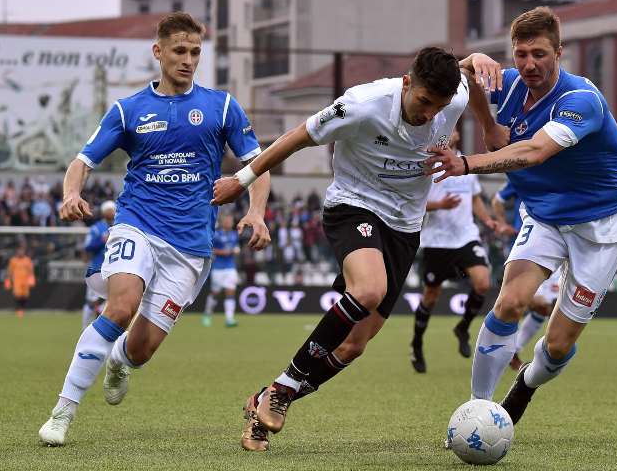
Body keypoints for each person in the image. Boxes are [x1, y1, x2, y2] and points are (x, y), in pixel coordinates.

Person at [212, 46, 509, 451]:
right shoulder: (363, 104)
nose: (428, 115)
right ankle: (283, 385)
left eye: (437, 107)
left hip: (405, 226)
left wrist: (488, 125)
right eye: (423, 101)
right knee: (368, 291)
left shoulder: (449, 97)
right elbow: (297, 137)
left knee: (354, 345)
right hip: (355, 205)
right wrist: (242, 179)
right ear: (407, 83)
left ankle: (264, 400)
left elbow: (468, 80)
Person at [38, 12, 271, 447]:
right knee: (121, 306)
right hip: (136, 224)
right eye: (179, 51)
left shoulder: (221, 106)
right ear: (158, 51)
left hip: (190, 246)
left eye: (195, 52)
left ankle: (120, 361)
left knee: (142, 348)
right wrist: (72, 194)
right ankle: (62, 413)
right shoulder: (128, 110)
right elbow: (81, 162)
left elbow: (258, 165)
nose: (188, 60)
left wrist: (256, 212)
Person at [425, 6, 617, 425]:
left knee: (557, 345)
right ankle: (478, 410)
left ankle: (524, 388)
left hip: (601, 225)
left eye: (539, 54)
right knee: (509, 304)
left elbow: (535, 151)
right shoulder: (511, 83)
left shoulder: (581, 100)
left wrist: (468, 162)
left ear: (560, 52)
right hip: (544, 217)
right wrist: (470, 64)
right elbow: (455, 77)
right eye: (520, 54)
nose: (529, 64)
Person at [410, 129, 497, 374]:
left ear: (458, 136)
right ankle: (416, 343)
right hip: (437, 241)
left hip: (465, 236)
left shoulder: (465, 165)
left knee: (482, 283)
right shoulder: (427, 166)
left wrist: (487, 220)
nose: (450, 134)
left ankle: (463, 327)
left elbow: (475, 199)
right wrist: (440, 205)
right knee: (431, 296)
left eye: (453, 130)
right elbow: (415, 201)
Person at [491, 180, 557, 371]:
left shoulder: (561, 172)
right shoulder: (525, 172)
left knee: (542, 309)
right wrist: (502, 224)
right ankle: (505, 351)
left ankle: (511, 352)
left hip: (554, 246)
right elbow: (497, 201)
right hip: (527, 248)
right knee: (528, 304)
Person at [81, 200, 116, 329]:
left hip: (114, 269)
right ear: (104, 212)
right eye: (109, 209)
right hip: (97, 269)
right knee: (91, 301)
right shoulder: (96, 228)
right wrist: (102, 240)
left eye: (113, 209)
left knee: (114, 299)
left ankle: (102, 322)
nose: (111, 212)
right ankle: (84, 329)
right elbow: (88, 247)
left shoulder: (120, 227)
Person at [202, 213, 240, 327]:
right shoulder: (216, 235)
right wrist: (223, 252)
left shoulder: (234, 235)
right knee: (215, 293)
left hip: (230, 267)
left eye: (231, 221)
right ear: (223, 222)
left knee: (231, 291)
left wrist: (236, 250)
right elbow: (210, 249)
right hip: (218, 268)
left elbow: (236, 247)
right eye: (227, 221)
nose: (230, 223)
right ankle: (207, 314)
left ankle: (229, 319)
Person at [5, 245, 35, 317]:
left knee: (25, 295)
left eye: (22, 251)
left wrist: (32, 278)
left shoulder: (27, 260)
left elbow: (31, 270)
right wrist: (8, 279)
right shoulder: (13, 260)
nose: (20, 252)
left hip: (25, 280)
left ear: (24, 252)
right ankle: (18, 310)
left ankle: (22, 309)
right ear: (17, 252)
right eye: (19, 251)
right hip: (17, 280)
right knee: (17, 295)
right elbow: (10, 271)